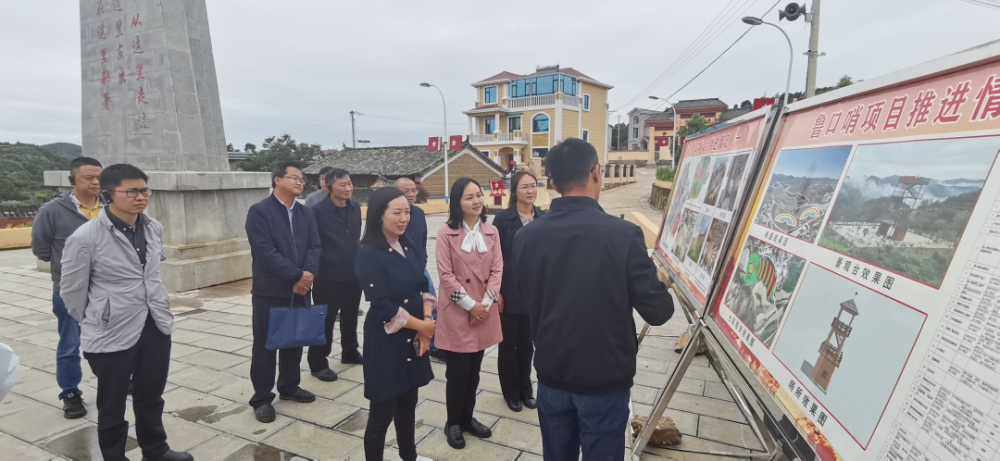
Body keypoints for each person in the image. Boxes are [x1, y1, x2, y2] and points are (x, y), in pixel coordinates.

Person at [512, 138, 674, 461]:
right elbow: (658, 312)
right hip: (605, 380)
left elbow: (525, 296)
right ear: (596, 173)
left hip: (551, 375)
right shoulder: (623, 235)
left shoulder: (526, 236)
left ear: (552, 182)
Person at [60, 164, 192, 461]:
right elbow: (72, 292)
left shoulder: (153, 227)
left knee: (151, 396)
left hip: (154, 324)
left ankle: (156, 450)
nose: (141, 196)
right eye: (132, 191)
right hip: (111, 331)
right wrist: (99, 319)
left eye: (145, 190)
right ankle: (114, 456)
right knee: (112, 403)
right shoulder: (85, 238)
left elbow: (151, 273)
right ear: (108, 194)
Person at [355, 187, 436, 461]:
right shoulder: (368, 254)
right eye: (397, 212)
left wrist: (426, 322)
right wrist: (422, 327)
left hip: (412, 337)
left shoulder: (408, 245)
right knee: (381, 414)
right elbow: (382, 306)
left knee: (408, 405)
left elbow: (424, 287)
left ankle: (409, 456)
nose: (404, 218)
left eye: (407, 212)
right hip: (387, 343)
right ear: (379, 215)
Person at [245, 163, 322, 423]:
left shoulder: (305, 213)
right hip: (271, 288)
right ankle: (262, 398)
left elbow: (314, 246)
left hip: (302, 287)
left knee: (294, 338)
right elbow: (265, 251)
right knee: (266, 344)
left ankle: (289, 386)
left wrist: (307, 276)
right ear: (277, 180)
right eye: (294, 178)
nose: (300, 182)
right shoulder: (259, 212)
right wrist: (296, 276)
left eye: (302, 179)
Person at [30, 156, 103, 419]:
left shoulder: (110, 206)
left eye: (98, 177)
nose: (95, 182)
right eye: (88, 178)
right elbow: (41, 249)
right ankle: (70, 393)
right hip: (69, 290)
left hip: (107, 289)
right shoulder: (52, 211)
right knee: (70, 343)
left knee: (110, 339)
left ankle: (114, 380)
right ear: (73, 180)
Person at [435, 178, 504, 450]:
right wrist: (470, 306)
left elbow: (497, 270)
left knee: (474, 371)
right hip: (458, 311)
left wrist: (484, 305)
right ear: (457, 203)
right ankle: (453, 422)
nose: (476, 201)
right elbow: (445, 275)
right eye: (468, 197)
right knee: (457, 372)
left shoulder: (492, 232)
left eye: (479, 195)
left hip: (483, 311)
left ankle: (467, 418)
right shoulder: (445, 233)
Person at [492, 170, 544, 413]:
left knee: (527, 344)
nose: (530, 191)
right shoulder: (503, 220)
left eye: (533, 186)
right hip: (509, 292)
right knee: (508, 343)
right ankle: (511, 392)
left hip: (534, 294)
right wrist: (497, 292)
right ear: (514, 191)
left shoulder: (543, 217)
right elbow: (494, 259)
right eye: (524, 187)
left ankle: (526, 389)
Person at [307, 168, 363, 381]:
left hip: (353, 273)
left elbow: (356, 235)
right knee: (325, 320)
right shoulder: (317, 211)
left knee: (350, 317)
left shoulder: (356, 208)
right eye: (343, 185)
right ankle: (318, 362)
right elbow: (312, 242)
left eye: (350, 183)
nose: (348, 188)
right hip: (327, 275)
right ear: (329, 187)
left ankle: (350, 352)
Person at [396, 178, 444, 363]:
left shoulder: (418, 213)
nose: (410, 194)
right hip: (399, 269)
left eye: (413, 190)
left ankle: (435, 346)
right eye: (405, 191)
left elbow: (422, 241)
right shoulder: (390, 214)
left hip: (419, 267)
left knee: (432, 305)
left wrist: (421, 262)